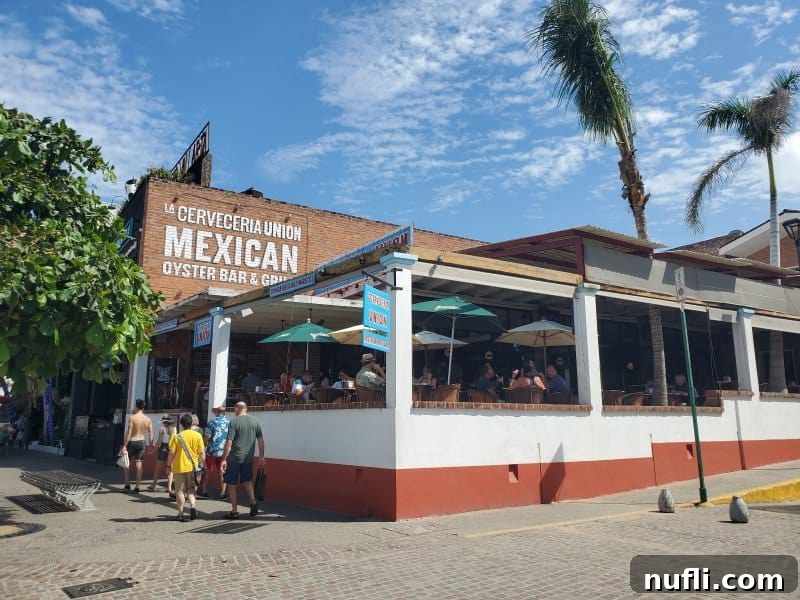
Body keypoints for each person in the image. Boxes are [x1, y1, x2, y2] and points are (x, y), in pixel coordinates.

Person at [221, 401, 265, 519]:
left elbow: (229, 443)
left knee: (231, 483)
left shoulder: (234, 422)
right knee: (247, 480)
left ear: (237, 409)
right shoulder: (255, 421)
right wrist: (261, 456)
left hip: (235, 458)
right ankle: (253, 501)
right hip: (248, 458)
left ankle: (234, 511)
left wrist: (224, 459)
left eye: (234, 409)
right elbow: (260, 441)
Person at [167, 413, 205, 522]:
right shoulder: (197, 436)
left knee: (179, 491)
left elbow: (171, 453)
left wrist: (168, 465)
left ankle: (180, 514)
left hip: (179, 467)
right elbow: (202, 453)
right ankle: (192, 505)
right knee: (191, 489)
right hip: (193, 468)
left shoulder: (177, 437)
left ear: (181, 424)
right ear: (191, 423)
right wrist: (204, 464)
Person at [120, 399, 153, 493]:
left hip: (132, 441)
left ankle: (127, 485)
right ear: (143, 407)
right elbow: (151, 433)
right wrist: (151, 445)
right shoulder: (148, 419)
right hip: (142, 442)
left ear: (136, 406)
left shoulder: (132, 418)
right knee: (139, 464)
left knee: (126, 463)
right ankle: (137, 486)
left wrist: (124, 445)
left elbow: (129, 433)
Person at [199, 405, 230, 499]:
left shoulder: (212, 422)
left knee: (207, 471)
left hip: (211, 451)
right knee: (222, 472)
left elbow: (208, 436)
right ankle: (222, 493)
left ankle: (204, 491)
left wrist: (204, 443)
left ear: (216, 412)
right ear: (224, 413)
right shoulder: (229, 423)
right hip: (223, 452)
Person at [149, 415, 176, 493]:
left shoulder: (162, 429)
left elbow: (158, 442)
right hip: (172, 448)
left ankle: (153, 486)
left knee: (157, 469)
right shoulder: (174, 429)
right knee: (170, 470)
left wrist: (153, 451)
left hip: (163, 448)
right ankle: (169, 488)